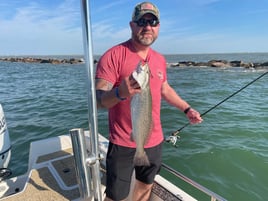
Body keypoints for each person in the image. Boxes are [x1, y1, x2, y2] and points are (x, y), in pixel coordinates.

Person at [95, 2, 203, 201]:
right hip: (123, 141)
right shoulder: (113, 56)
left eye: (152, 22)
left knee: (145, 186)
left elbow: (164, 88)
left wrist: (186, 109)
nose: (147, 26)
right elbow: (99, 100)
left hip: (154, 139)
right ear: (132, 25)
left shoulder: (159, 59)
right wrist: (120, 92)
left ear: (158, 27)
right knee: (115, 196)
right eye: (142, 21)